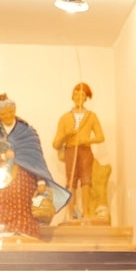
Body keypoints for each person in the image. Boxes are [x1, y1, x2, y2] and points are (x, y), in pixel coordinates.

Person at [0, 95, 68, 242]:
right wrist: (3, 155)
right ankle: (4, 230)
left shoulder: (27, 131)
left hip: (26, 177)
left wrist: (40, 181)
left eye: (10, 112)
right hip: (2, 178)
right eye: (3, 114)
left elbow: (35, 158)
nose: (7, 116)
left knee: (25, 204)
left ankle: (26, 231)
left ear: (14, 110)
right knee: (2, 204)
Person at [52, 83, 106, 223]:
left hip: (85, 151)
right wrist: (66, 135)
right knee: (71, 182)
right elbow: (56, 143)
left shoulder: (91, 116)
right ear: (72, 96)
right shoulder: (65, 118)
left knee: (86, 181)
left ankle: (86, 213)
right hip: (70, 151)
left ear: (86, 98)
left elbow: (101, 137)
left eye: (82, 95)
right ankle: (71, 213)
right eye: (76, 94)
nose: (79, 98)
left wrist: (86, 139)